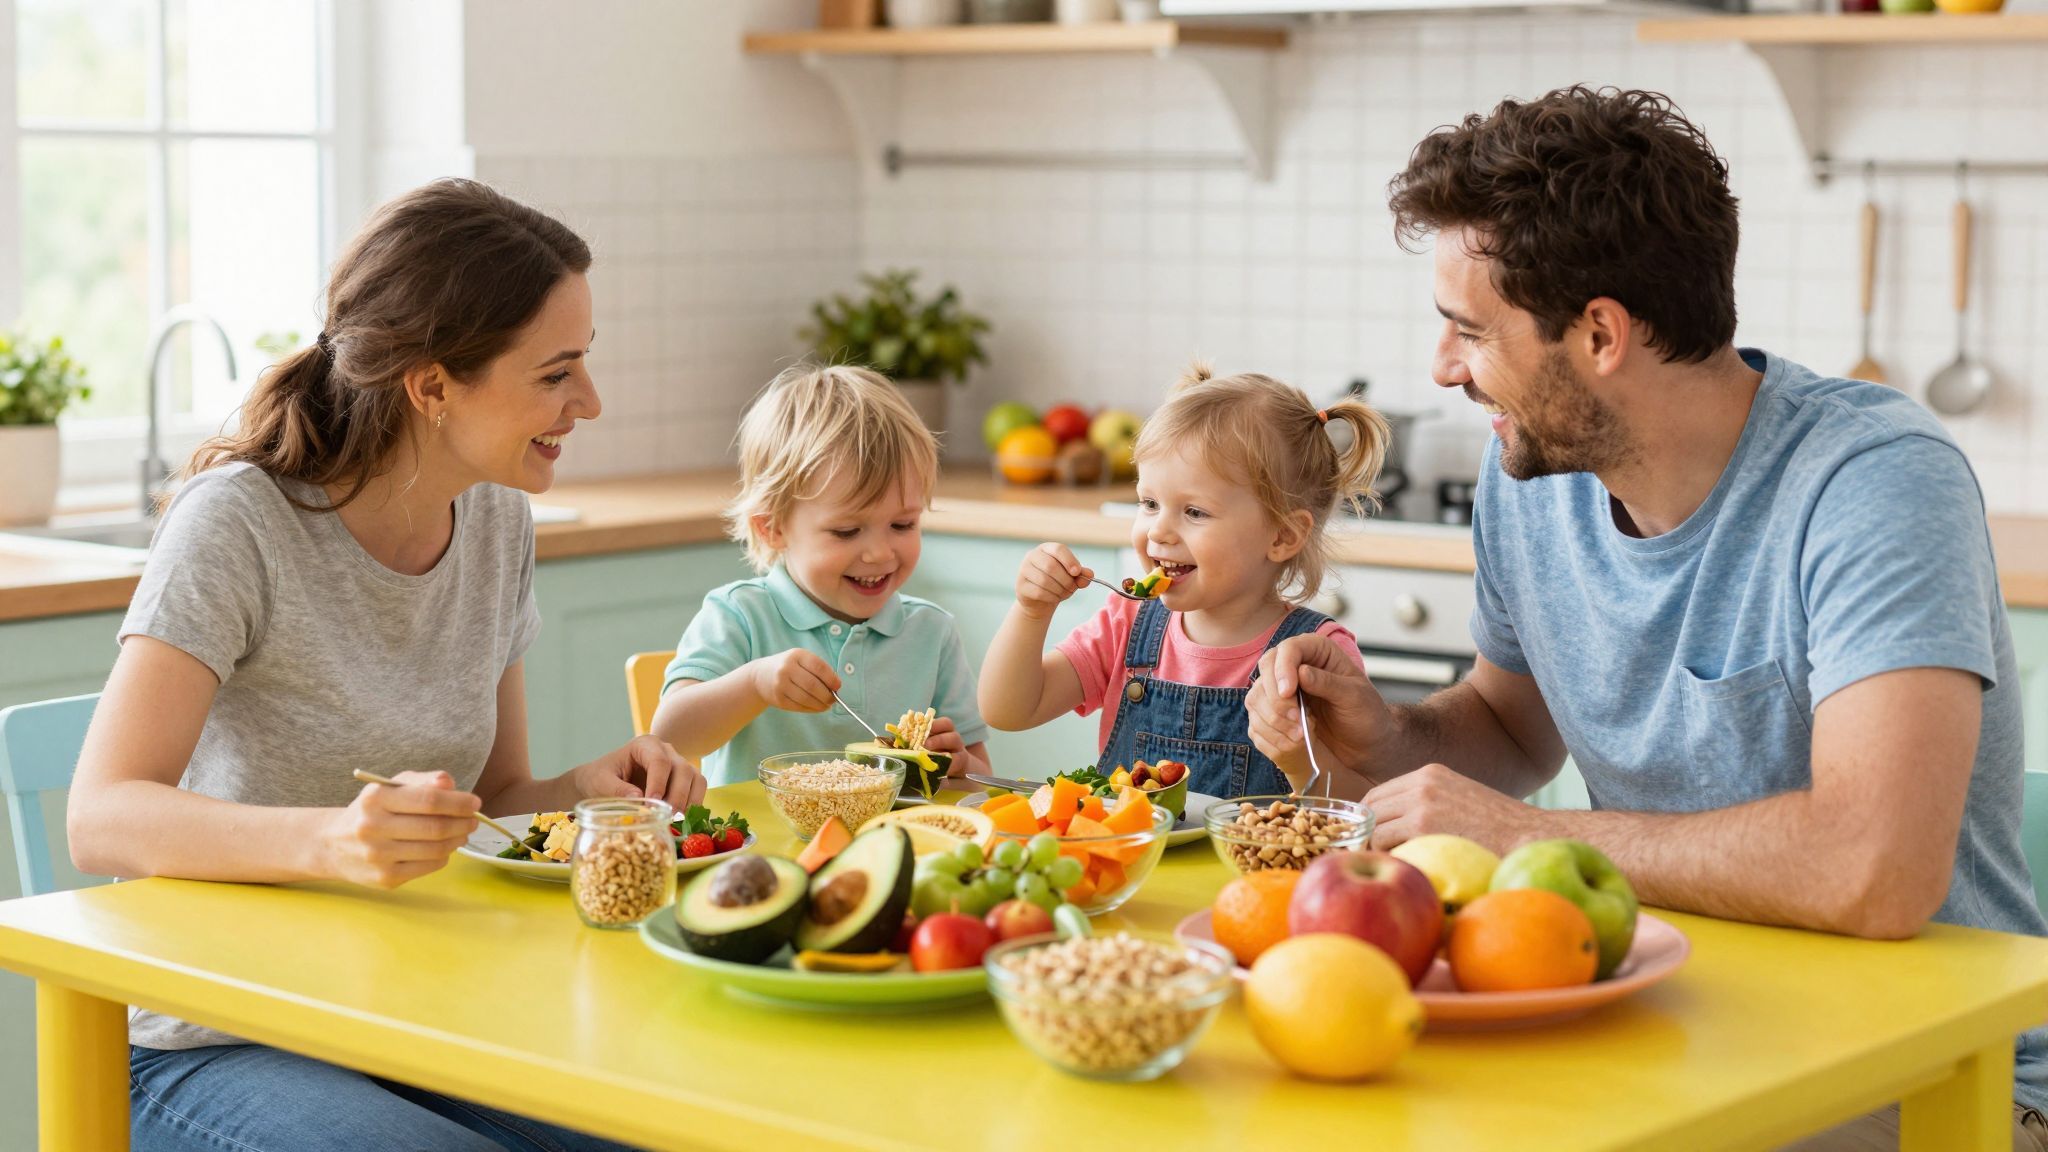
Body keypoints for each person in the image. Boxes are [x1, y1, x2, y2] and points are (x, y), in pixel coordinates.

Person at [1246, 86, 2047, 1148]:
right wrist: (1381, 741)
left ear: (1599, 334)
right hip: (1653, 1020)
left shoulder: (1870, 481)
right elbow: (1508, 726)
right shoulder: (1527, 474)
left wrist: (1527, 836)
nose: (1441, 368)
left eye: (1466, 331)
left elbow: (1872, 871)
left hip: (1928, 1073)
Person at [68, 178, 699, 1152]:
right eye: (554, 373)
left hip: (409, 1009)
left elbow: (493, 795)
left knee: (672, 1128)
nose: (590, 402)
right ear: (434, 384)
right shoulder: (239, 522)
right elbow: (100, 815)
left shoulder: (494, 518)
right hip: (212, 1037)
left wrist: (584, 788)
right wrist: (329, 842)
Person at [979, 364, 1388, 798]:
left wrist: (1300, 762)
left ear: (1283, 536)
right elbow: (1008, 709)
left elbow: (1361, 804)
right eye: (1149, 503)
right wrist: (1031, 612)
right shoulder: (1127, 623)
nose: (1158, 531)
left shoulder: (1316, 655)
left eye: (1194, 512)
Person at [651, 363, 989, 785]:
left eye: (903, 525)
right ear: (771, 528)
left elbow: (982, 780)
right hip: (761, 849)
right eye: (846, 531)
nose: (881, 553)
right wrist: (754, 685)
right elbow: (670, 737)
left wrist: (958, 765)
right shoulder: (739, 614)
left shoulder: (931, 631)